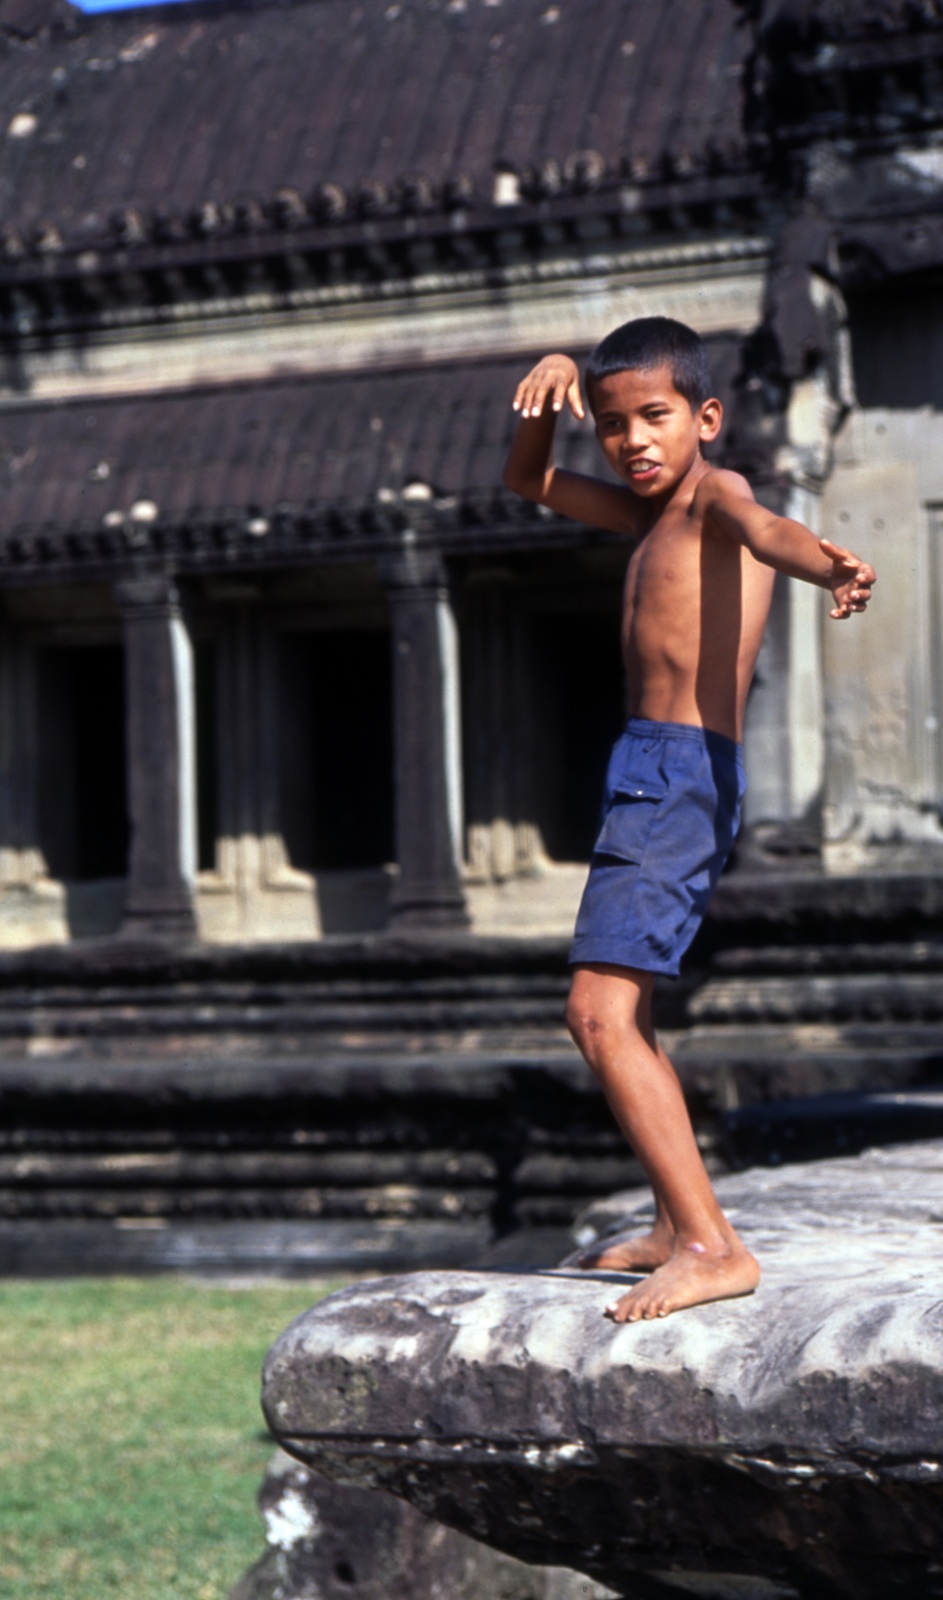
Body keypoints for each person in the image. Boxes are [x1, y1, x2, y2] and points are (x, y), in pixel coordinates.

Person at [503, 316, 875, 1323]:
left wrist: (824, 564)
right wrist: (545, 394)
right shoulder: (647, 519)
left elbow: (767, 528)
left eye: (654, 418)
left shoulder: (714, 495)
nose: (631, 442)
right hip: (648, 770)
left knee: (597, 1013)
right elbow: (529, 483)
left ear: (705, 418)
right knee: (632, 1008)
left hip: (678, 776)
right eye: (612, 425)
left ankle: (713, 1246)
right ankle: (677, 1223)